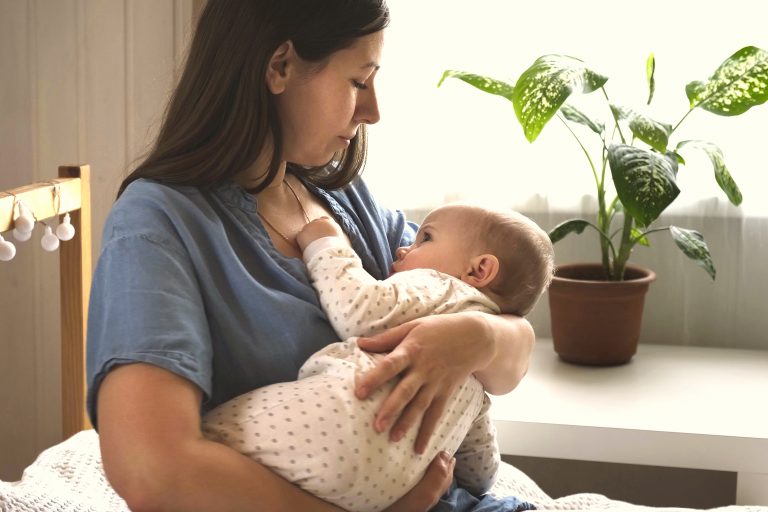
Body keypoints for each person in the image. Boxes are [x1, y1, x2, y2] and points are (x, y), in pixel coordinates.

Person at [86, 1, 536, 511]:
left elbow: (509, 342)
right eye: (358, 82)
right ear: (280, 66)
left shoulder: (345, 200)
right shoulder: (158, 224)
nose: (373, 111)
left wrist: (476, 337)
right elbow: (152, 470)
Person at [202, 204, 554, 512]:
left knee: (209, 436)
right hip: (377, 494)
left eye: (425, 239)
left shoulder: (440, 287)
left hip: (320, 432)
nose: (402, 248)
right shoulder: (477, 389)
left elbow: (360, 311)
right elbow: (481, 475)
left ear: (478, 272)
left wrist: (327, 243)